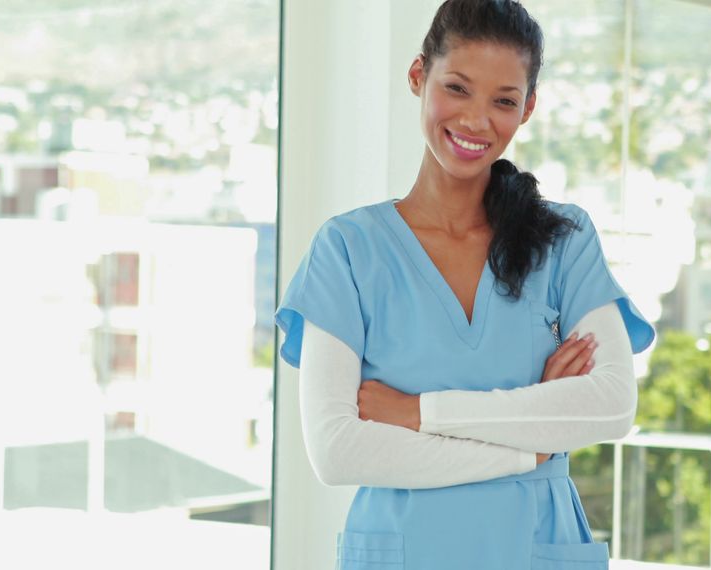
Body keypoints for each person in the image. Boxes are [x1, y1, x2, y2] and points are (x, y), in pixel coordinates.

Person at [274, 0, 655, 567]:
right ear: (417, 76)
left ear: (526, 109)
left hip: (532, 547)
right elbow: (338, 452)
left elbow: (610, 406)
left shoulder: (563, 240)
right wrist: (534, 446)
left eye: (503, 101)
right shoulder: (348, 250)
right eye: (457, 88)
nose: (477, 121)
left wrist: (418, 414)